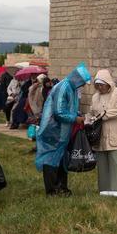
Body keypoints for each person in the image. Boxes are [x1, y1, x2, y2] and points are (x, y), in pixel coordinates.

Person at [35, 63, 91, 196]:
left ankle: (62, 187)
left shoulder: (71, 88)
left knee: (62, 159)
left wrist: (78, 116)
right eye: (82, 82)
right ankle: (52, 190)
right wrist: (75, 119)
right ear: (77, 79)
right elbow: (59, 112)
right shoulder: (63, 87)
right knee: (51, 160)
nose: (83, 85)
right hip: (53, 131)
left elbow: (70, 108)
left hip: (62, 132)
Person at [87, 69, 117, 192]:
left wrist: (103, 115)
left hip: (115, 135)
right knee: (102, 166)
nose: (99, 87)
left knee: (116, 165)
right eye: (97, 85)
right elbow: (91, 112)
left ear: (108, 83)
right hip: (100, 135)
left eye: (101, 84)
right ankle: (104, 191)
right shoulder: (95, 97)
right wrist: (88, 120)